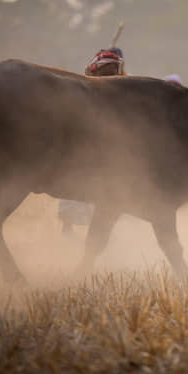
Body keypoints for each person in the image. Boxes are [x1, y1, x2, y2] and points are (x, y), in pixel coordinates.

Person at [58, 47, 124, 235]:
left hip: (107, 150)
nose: (110, 74)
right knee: (73, 187)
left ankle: (102, 233)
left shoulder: (122, 90)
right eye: (106, 71)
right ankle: (68, 227)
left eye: (113, 71)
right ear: (95, 71)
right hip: (81, 149)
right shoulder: (81, 88)